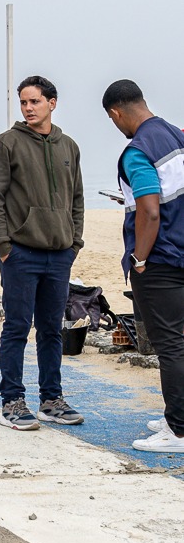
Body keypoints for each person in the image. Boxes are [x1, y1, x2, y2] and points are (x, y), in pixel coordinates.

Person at [0, 75, 84, 431]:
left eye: (35, 101)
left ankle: (51, 400)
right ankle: (12, 401)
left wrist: (74, 243)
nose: (28, 108)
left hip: (60, 255)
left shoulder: (68, 146)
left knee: (52, 330)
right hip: (20, 254)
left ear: (52, 103)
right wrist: (3, 245)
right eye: (24, 102)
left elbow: (76, 199)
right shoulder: (6, 143)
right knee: (17, 327)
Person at [101, 80, 184, 453]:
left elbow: (150, 211)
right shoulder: (175, 135)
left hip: (162, 260)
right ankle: (177, 415)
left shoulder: (138, 150)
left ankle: (178, 431)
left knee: (170, 345)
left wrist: (139, 259)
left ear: (116, 113)